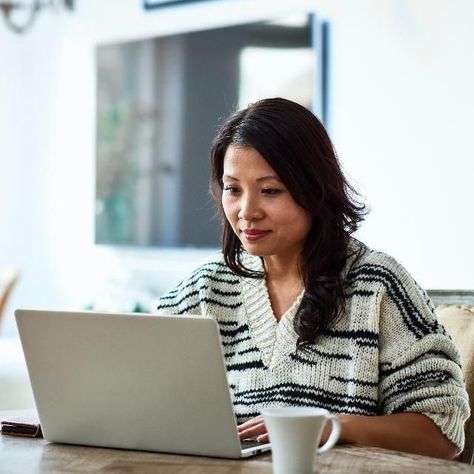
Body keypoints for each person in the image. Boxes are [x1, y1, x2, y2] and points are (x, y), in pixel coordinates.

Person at [156, 97, 469, 459]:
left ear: (314, 189)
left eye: (270, 190)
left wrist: (332, 426)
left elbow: (442, 433)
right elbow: (140, 396)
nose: (246, 212)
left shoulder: (378, 285)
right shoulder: (204, 288)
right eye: (233, 189)